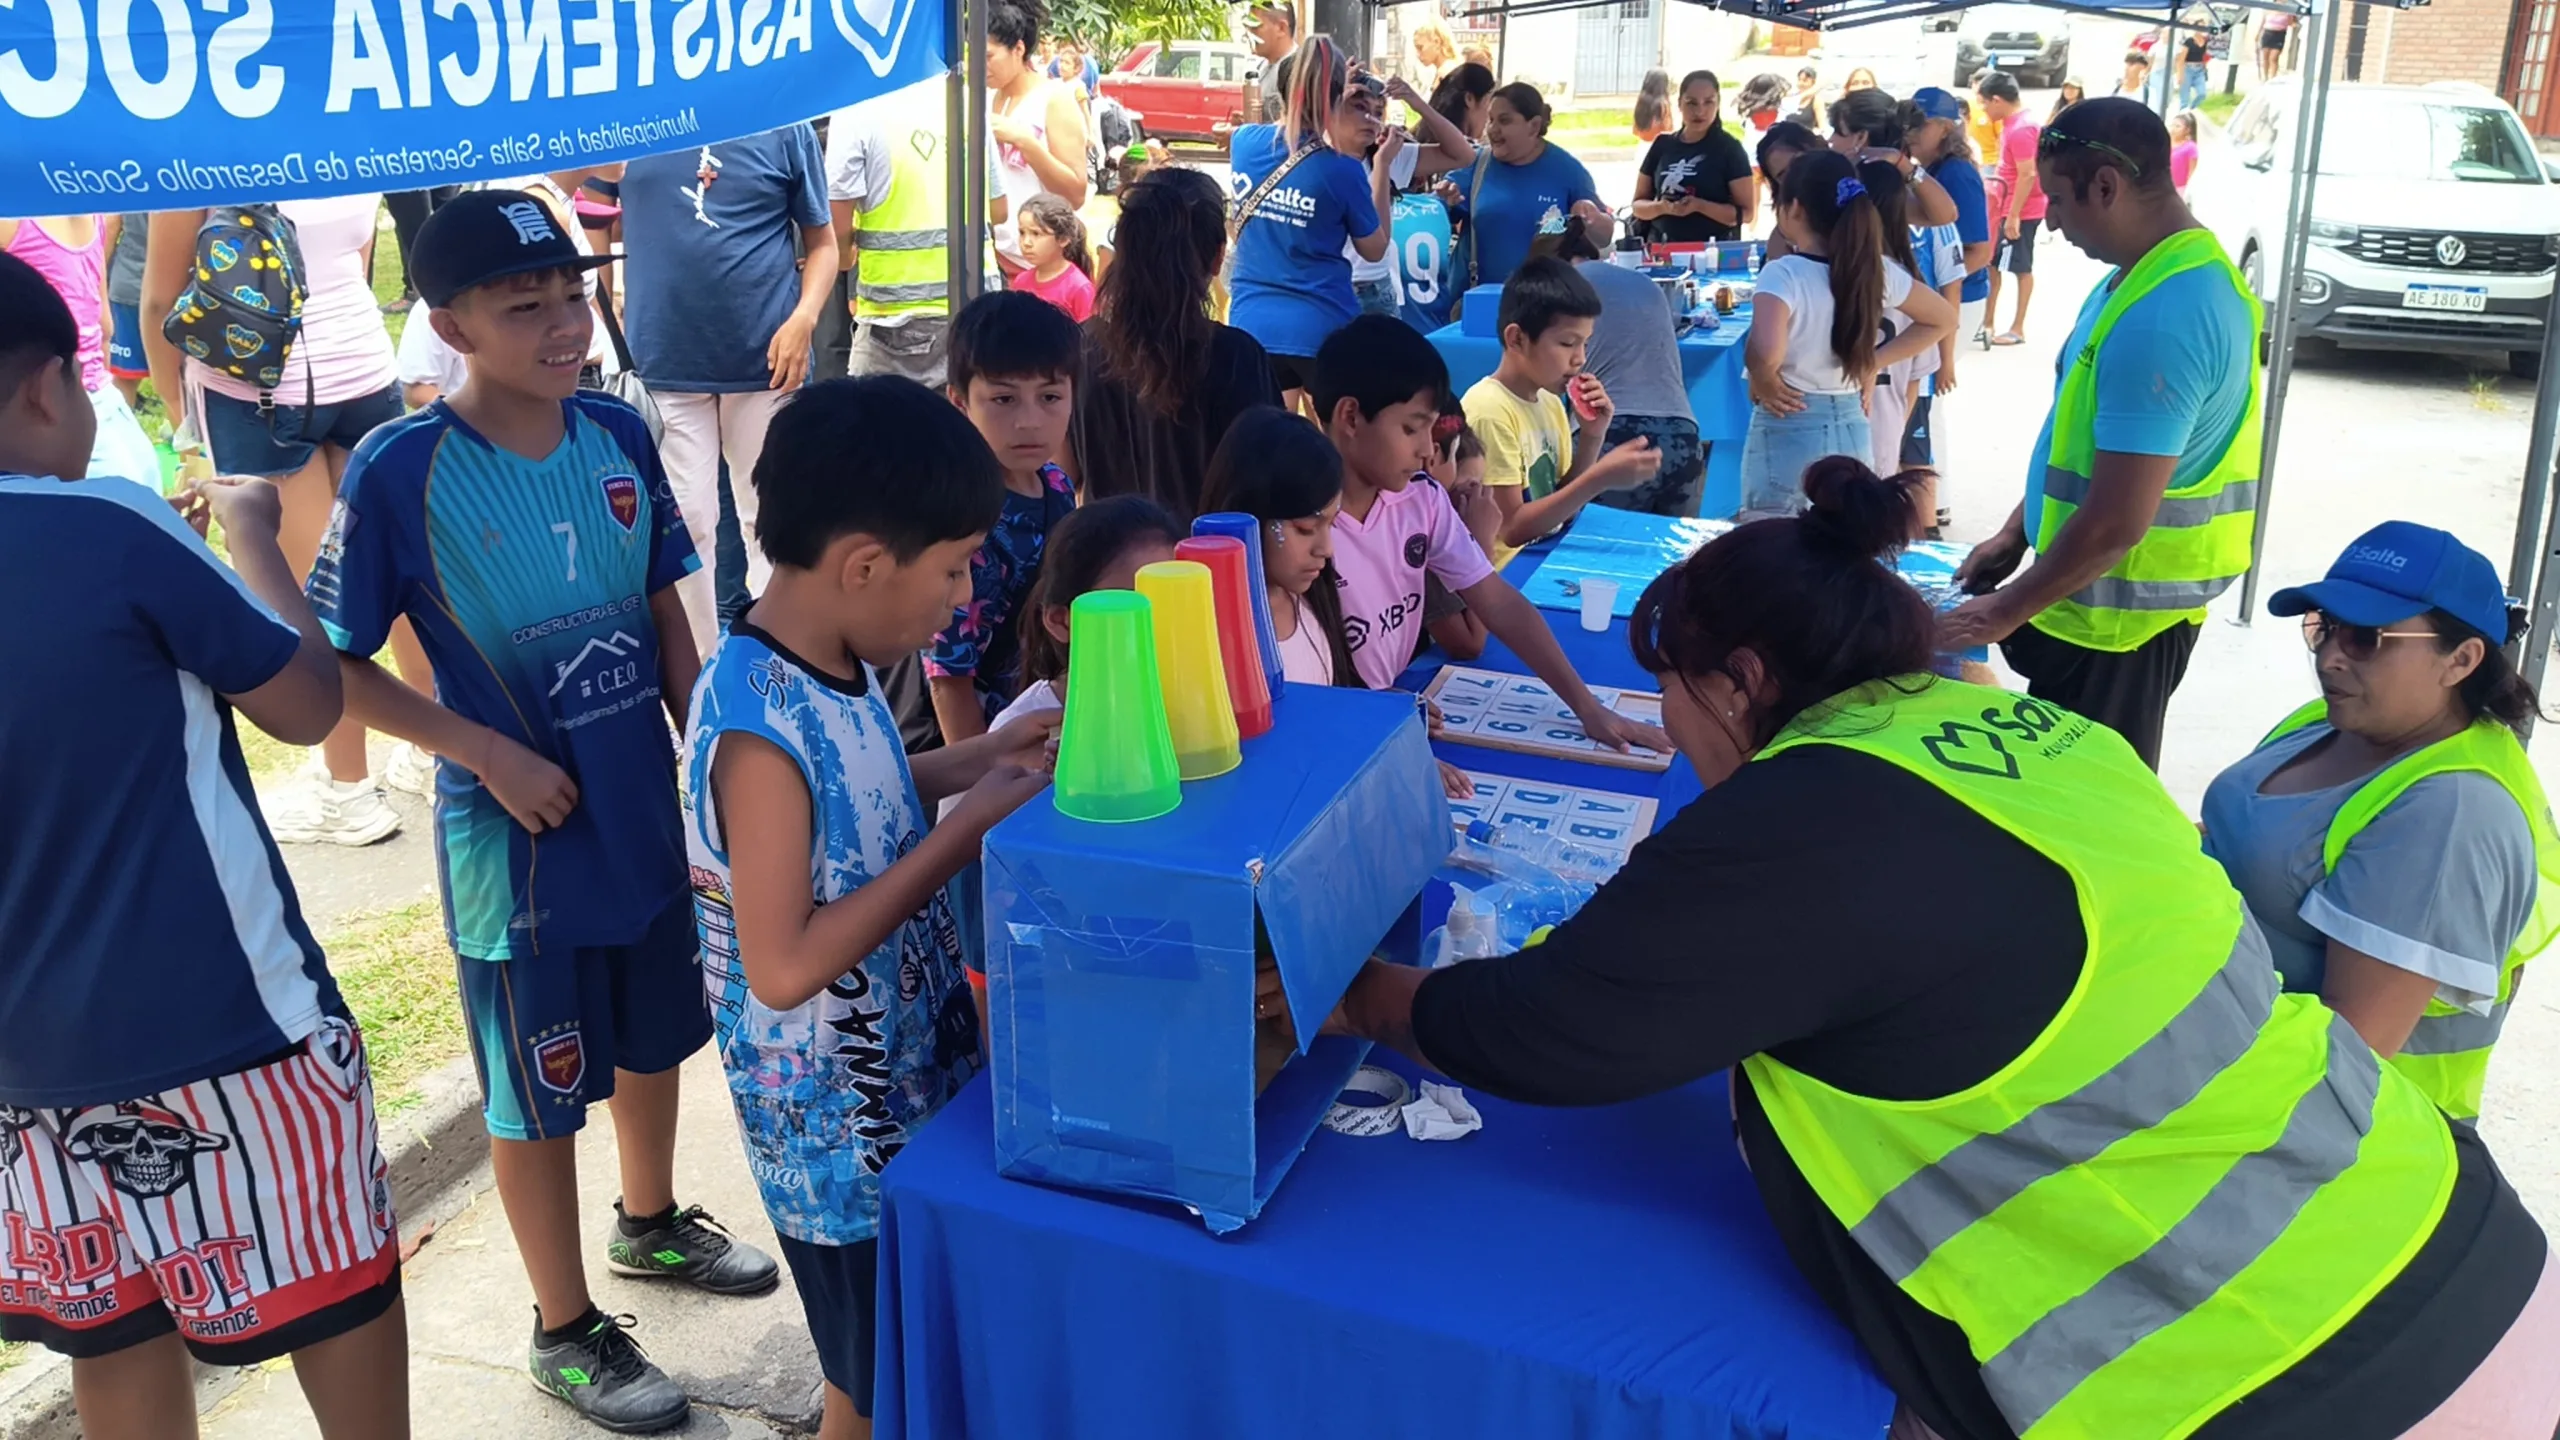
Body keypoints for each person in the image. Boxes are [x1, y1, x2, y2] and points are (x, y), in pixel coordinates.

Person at [1320, 459, 2560, 1440]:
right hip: (2441, 1228)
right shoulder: (2023, 730)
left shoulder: (1798, 819)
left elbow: (1554, 1026)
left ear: (1743, 681)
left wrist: (1356, 996)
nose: (1670, 726)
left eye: (1676, 695)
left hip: (2278, 1365)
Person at [309, 191, 782, 1433]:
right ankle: (562, 1327)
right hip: (511, 847)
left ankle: (649, 1222)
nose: (564, 323)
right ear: (450, 323)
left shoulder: (617, 434)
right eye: (526, 307)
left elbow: (672, 616)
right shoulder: (398, 467)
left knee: (651, 1037)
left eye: (572, 295)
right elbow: (331, 665)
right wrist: (482, 753)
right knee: (533, 1086)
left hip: (640, 813)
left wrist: (711, 753)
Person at [0, 253, 411, 1440]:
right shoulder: (109, 525)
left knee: (112, 1334)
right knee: (334, 1301)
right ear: (41, 390)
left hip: (26, 1071)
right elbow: (307, 706)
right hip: (231, 1029)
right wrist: (250, 535)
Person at [684, 376, 1054, 1440]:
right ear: (862, 564)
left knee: (896, 1359)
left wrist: (984, 755)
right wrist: (960, 836)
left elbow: (873, 792)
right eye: (949, 569)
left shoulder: (834, 658)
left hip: (903, 1082)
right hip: (836, 1141)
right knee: (874, 1378)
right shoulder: (755, 726)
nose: (959, 594)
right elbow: (784, 964)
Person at [1944, 99, 2261, 772]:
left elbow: (2117, 520)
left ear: (2108, 187)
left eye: (2058, 199)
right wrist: (2017, 530)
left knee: (2087, 803)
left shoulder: (2166, 315)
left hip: (2121, 631)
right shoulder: (2137, 278)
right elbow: (2079, 441)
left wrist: (2003, 611)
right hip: (2087, 609)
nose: (2050, 219)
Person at [2204, 523, 2554, 1123]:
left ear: (2461, 660)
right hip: (2214, 1049)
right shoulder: (2326, 721)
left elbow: (2343, 1063)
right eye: (2324, 626)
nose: (2330, 656)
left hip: (2329, 1149)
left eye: (2367, 637)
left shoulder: (2449, 816)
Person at [142, 194, 423, 845]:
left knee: (308, 596)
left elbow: (160, 303)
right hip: (364, 370)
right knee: (403, 575)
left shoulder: (191, 152)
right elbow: (356, 257)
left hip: (252, 389)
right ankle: (436, 748)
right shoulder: (344, 138)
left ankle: (348, 788)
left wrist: (183, 420)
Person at [1314, 314, 1667, 753]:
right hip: (1337, 732)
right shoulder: (1300, 525)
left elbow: (1496, 600)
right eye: (1410, 428)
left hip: (1392, 713)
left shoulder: (1420, 500)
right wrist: (1361, 708)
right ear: (1350, 416)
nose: (1427, 450)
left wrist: (1587, 707)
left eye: (1430, 428)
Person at [620, 124, 838, 660]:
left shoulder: (783, 123)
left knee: (773, 516)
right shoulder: (631, 115)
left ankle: (782, 660)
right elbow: (593, 218)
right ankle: (699, 677)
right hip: (665, 361)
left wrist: (805, 318)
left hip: (768, 359)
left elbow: (824, 243)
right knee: (684, 526)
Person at [1201, 406, 1477, 799]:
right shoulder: (1214, 627)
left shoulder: (1310, 595)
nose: (1326, 550)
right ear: (1244, 515)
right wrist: (1384, 761)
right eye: (1305, 529)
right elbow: (1269, 753)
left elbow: (1320, 698)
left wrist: (1371, 706)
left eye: (1331, 524)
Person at [1741, 151, 1952, 517]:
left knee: (1777, 548)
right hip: (1855, 425)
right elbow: (1943, 318)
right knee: (1845, 544)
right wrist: (1873, 362)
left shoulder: (1783, 273)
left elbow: (1767, 352)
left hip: (1790, 423)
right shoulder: (1877, 270)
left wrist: (1762, 376)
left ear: (1793, 209)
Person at [1074, 167, 1283, 521]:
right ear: (1218, 257)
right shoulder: (1237, 356)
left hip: (1109, 565)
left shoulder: (1080, 346)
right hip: (1211, 567)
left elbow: (1063, 472)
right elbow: (1273, 480)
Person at [927, 292, 1080, 744]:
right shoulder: (956, 517)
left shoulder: (1056, 486)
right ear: (959, 402)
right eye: (1004, 399)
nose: (1030, 421)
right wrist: (980, 774)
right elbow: (948, 675)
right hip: (981, 748)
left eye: (1050, 396)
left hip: (1042, 731)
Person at [1228, 42, 1391, 402]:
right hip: (1322, 324)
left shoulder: (1242, 143)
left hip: (1252, 320)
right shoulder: (1343, 169)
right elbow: (1375, 248)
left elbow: (1282, 134)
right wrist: (1382, 169)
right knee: (1337, 446)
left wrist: (1326, 87)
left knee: (1268, 439)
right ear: (1335, 98)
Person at [1462, 258, 1662, 550]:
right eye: (1568, 343)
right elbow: (1510, 529)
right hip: (1509, 571)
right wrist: (1599, 477)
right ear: (1517, 338)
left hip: (1546, 554)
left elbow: (1562, 502)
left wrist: (1593, 436)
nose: (1580, 358)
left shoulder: (1550, 401)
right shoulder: (1489, 410)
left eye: (1585, 344)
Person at [828, 80, 1008, 390]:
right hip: (977, 301)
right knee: (965, 431)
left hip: (897, 316)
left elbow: (836, 217)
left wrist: (844, 256)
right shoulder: (965, 98)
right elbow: (998, 209)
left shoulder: (857, 105)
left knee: (875, 431)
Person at [1539, 231, 1705, 517]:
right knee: (1672, 557)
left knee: (1598, 554)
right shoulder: (1644, 282)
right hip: (1683, 435)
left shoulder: (1564, 290)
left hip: (1611, 435)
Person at [1001, 496, 1186, 730]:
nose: (1162, 625)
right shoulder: (1020, 735)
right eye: (1130, 607)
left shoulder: (1192, 699)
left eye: (1173, 600)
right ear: (1062, 621)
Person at [2, 214, 157, 490]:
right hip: (93, 396)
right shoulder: (86, 208)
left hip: (47, 404)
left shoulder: (10, 217)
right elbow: (104, 326)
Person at [1905, 88, 1992, 531]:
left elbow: (1978, 249)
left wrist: (1936, 297)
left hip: (1961, 297)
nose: (1912, 133)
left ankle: (1934, 503)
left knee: (1927, 396)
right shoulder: (1931, 169)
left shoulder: (1954, 175)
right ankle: (1933, 498)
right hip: (1938, 300)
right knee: (1922, 399)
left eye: (1921, 124)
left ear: (1945, 128)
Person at [1455, 84, 1611, 294]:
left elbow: (1604, 238)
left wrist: (1592, 218)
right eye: (1490, 120)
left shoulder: (1567, 170)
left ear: (1534, 126)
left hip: (1541, 305)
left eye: (1504, 120)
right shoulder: (1476, 165)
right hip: (1478, 303)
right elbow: (1439, 209)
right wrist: (1445, 198)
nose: (1492, 129)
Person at [987, 0, 1090, 282]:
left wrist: (1024, 141)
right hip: (991, 258)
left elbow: (1075, 194)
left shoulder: (1054, 99)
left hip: (1039, 269)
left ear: (1018, 49)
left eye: (989, 57)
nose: (982, 67)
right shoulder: (985, 98)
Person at [1634, 70, 1757, 245]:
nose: (1700, 111)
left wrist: (1699, 206)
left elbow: (1746, 214)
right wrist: (1662, 207)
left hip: (1713, 251)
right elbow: (1638, 205)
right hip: (1662, 249)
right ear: (1679, 104)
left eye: (1708, 102)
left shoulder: (1730, 149)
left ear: (1718, 105)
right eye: (1691, 103)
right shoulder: (1662, 145)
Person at [1976, 72, 2043, 346]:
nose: (1983, 110)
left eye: (1984, 103)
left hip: (2021, 210)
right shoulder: (2013, 124)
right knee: (1994, 264)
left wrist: (2014, 214)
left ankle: (2016, 327)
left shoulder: (2022, 128)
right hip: (2007, 204)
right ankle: (1987, 322)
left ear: (1997, 100)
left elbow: (2027, 174)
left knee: (2019, 266)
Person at [1009, 195, 1096, 322]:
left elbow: (1089, 337)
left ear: (1063, 239)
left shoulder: (1079, 288)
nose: (1026, 242)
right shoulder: (1020, 282)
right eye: (1022, 233)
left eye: (1036, 233)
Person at [99, 211, 148, 411]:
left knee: (124, 377)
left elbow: (111, 224)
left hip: (132, 283)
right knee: (180, 377)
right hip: (136, 285)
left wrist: (93, 280)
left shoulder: (125, 180)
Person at [1753, 120, 1821, 262]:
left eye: (1798, 163)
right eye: (1783, 175)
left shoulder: (1854, 201)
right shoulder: (1784, 229)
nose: (1796, 176)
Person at [1247, 1, 1302, 123]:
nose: (1249, 33)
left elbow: (1294, 128)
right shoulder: (1261, 67)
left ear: (1281, 28)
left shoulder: (1298, 70)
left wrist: (1241, 134)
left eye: (1255, 27)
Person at [1633, 68, 1674, 144]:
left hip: (1642, 143)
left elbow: (1635, 130)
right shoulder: (1664, 104)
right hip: (1659, 146)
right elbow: (1668, 130)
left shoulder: (1641, 100)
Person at [2178, 24, 2212, 110]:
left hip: (2200, 69)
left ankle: (2191, 109)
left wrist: (2205, 68)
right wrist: (2180, 74)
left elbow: (2205, 56)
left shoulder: (2205, 41)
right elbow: (2181, 59)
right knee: (2184, 97)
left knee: (2202, 94)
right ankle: (2183, 113)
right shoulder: (2189, 41)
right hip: (2188, 69)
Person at [2170, 110, 2202, 195]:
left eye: (2178, 126)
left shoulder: (2190, 147)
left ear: (2187, 130)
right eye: (2172, 125)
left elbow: (2191, 171)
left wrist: (2187, 189)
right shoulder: (2166, 141)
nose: (2173, 129)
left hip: (2179, 188)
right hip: (2163, 183)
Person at [2260, 10, 2295, 79]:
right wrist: (2258, 34)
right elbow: (2263, 22)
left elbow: (2290, 23)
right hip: (2268, 33)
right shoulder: (2269, 10)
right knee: (2265, 57)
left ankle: (2272, 78)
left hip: (2279, 34)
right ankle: (2265, 77)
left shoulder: (2287, 11)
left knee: (2273, 58)